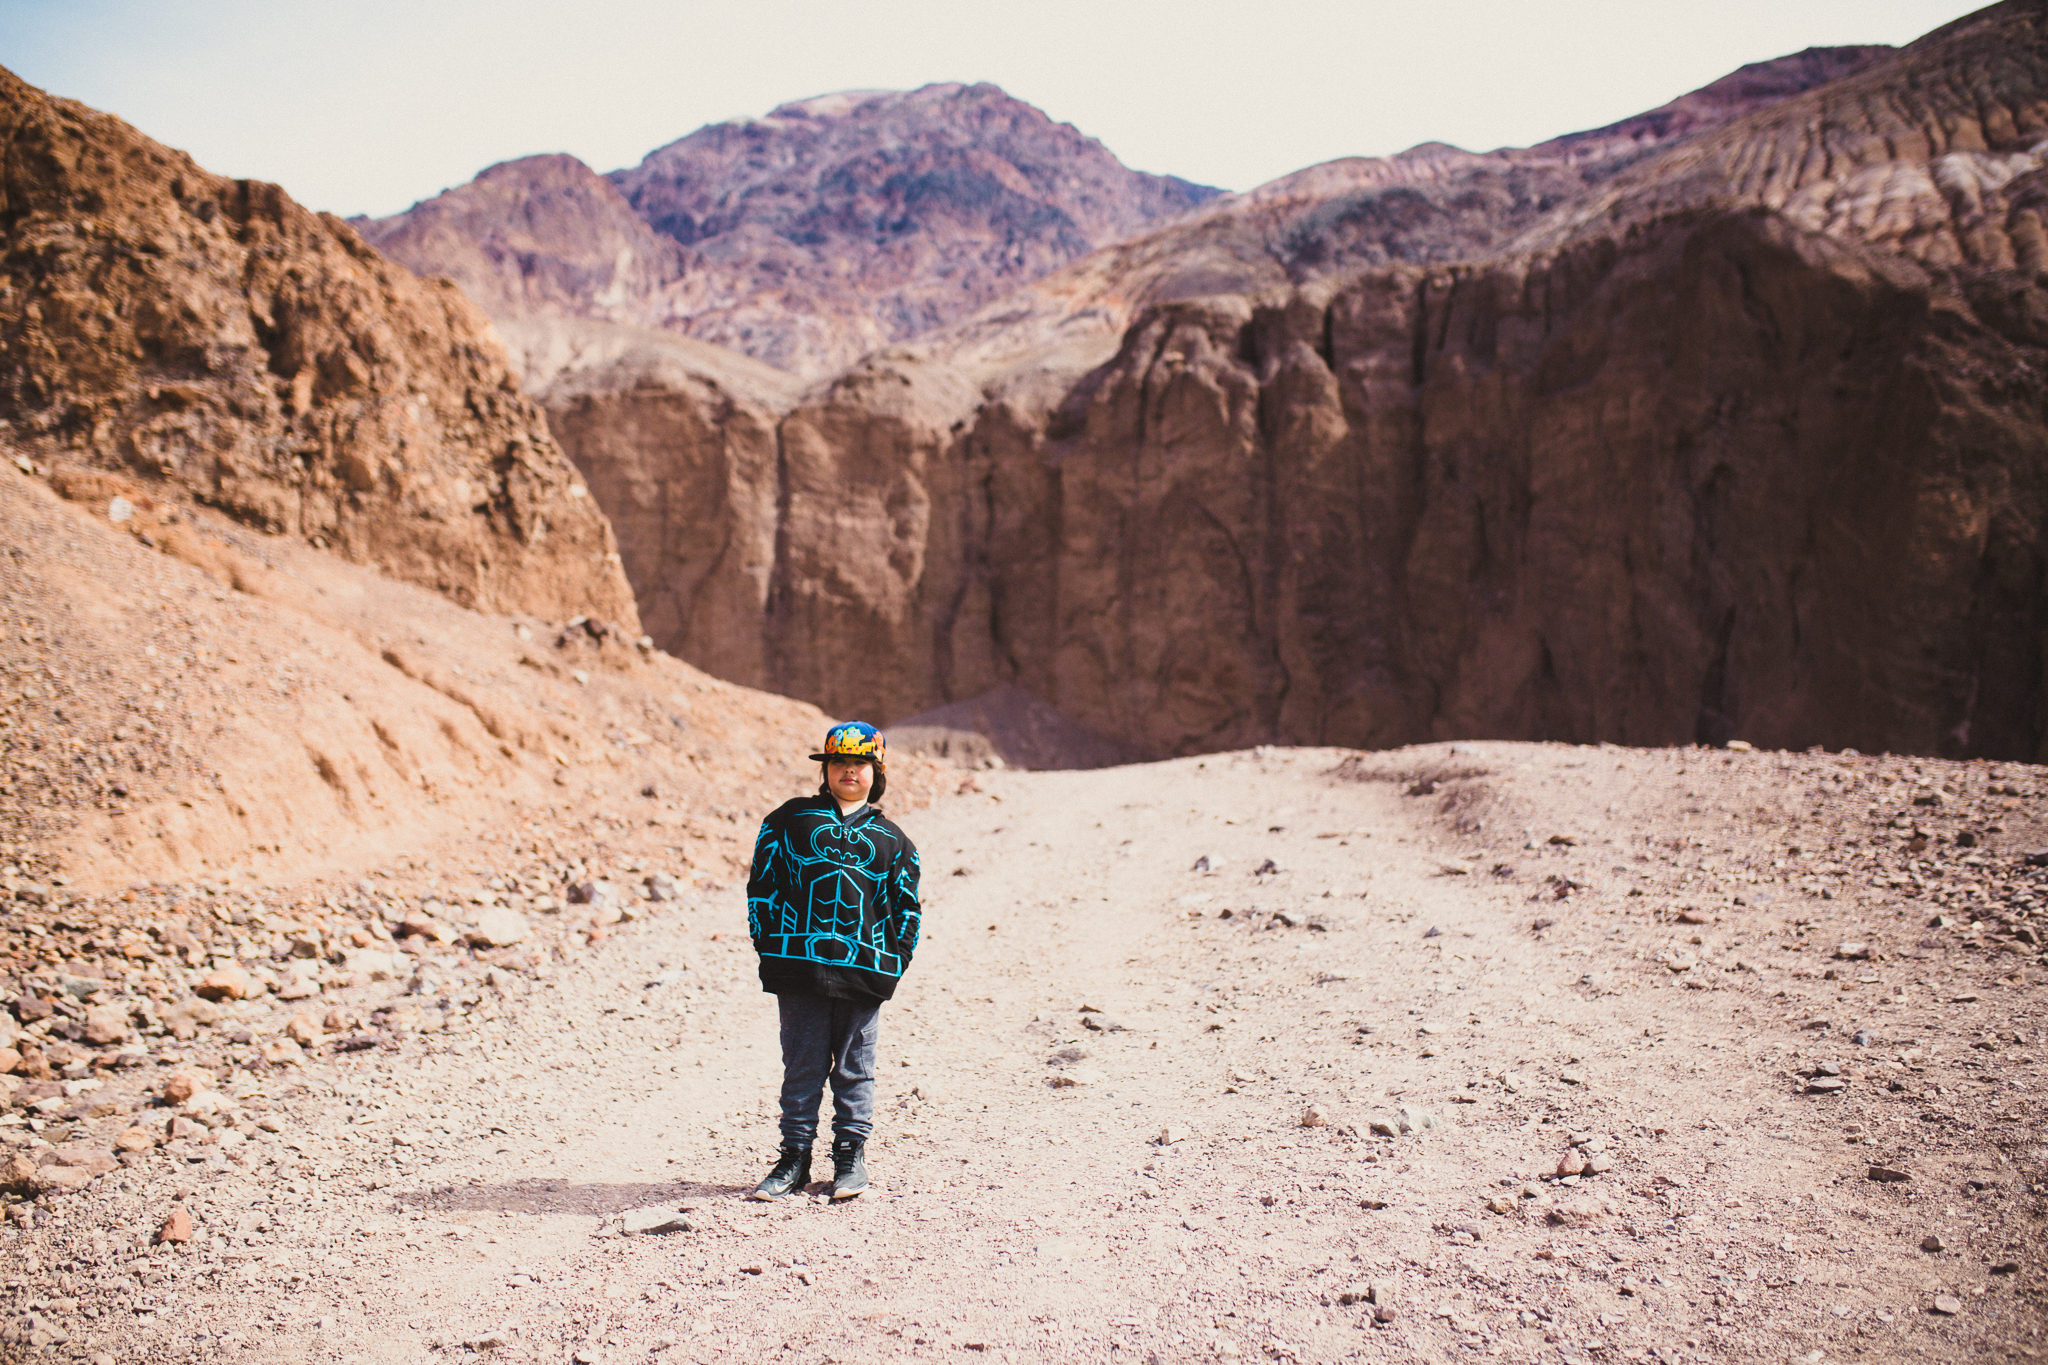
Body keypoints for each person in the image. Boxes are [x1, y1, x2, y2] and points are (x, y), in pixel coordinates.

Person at [745, 721, 922, 1201]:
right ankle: (794, 1159)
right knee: (801, 1064)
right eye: (839, 762)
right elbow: (762, 884)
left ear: (876, 772)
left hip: (864, 972)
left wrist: (894, 962)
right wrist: (769, 946)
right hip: (798, 967)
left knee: (854, 1066)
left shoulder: (894, 841)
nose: (849, 770)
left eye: (860, 763)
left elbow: (907, 908)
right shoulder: (788, 821)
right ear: (825, 770)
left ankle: (850, 1157)